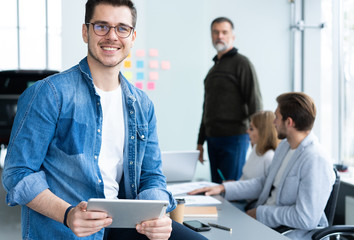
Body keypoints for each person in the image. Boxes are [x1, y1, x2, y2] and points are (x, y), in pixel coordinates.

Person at [1, 1, 207, 240]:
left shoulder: (142, 104)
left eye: (122, 28)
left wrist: (157, 215)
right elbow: (17, 173)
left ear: (132, 36)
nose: (112, 36)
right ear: (85, 31)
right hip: (65, 228)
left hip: (122, 224)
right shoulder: (49, 94)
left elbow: (151, 176)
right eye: (101, 26)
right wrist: (68, 214)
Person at [190, 92, 335, 239]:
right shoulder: (285, 147)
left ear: (289, 122)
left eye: (277, 118)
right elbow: (264, 183)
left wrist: (261, 213)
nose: (273, 123)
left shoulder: (316, 159)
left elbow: (305, 218)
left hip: (289, 233)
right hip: (267, 224)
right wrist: (224, 188)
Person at [197, 17, 263, 183]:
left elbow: (255, 102)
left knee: (230, 190)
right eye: (216, 32)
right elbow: (206, 108)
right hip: (213, 140)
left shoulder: (242, 63)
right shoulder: (213, 70)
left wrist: (259, 138)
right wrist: (200, 142)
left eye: (224, 32)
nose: (220, 36)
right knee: (216, 189)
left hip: (235, 138)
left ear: (232, 36)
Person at [241, 110, 279, 181]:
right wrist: (231, 186)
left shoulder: (269, 158)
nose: (247, 131)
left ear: (263, 133)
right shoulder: (256, 149)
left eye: (251, 129)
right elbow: (244, 179)